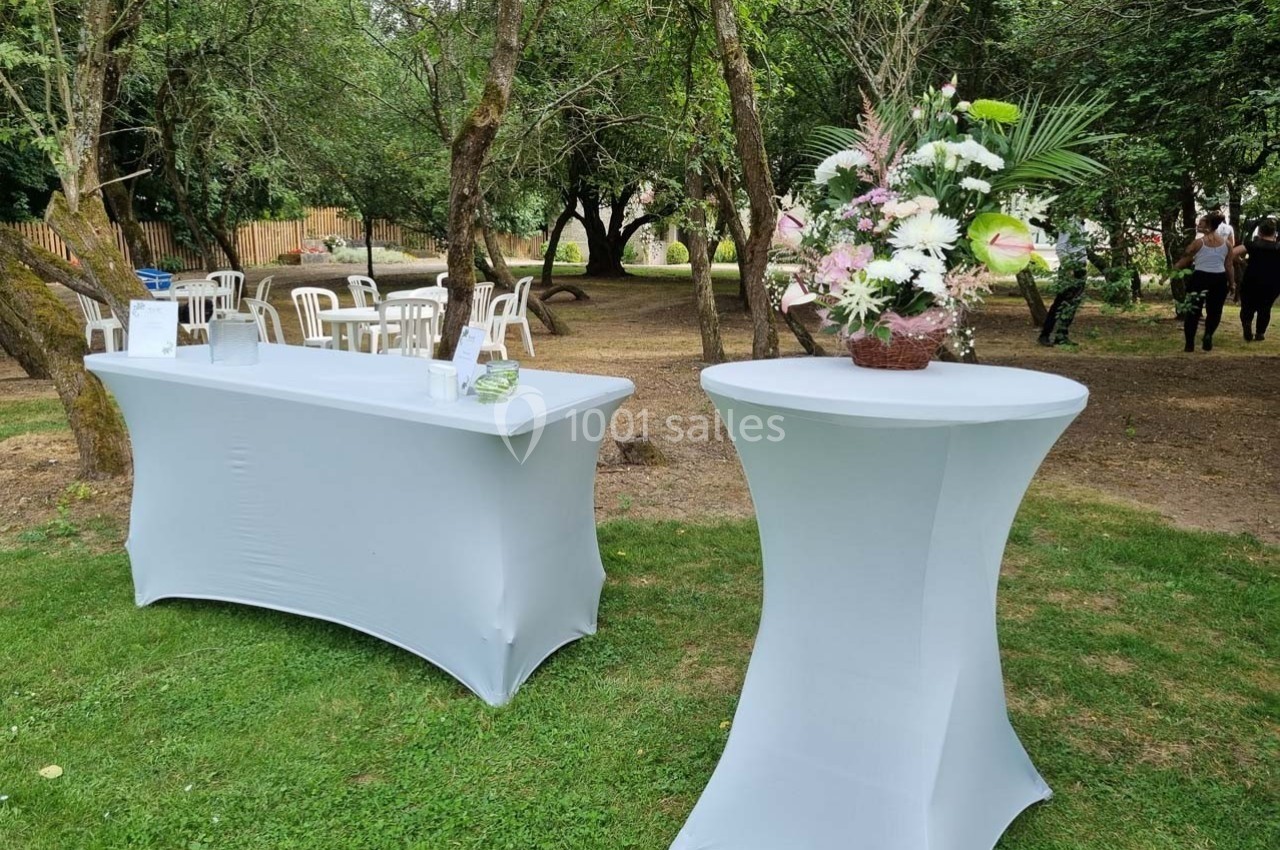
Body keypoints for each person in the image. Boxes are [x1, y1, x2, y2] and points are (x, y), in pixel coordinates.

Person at [1173, 212, 1235, 351]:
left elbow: (1185, 258)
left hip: (1200, 278)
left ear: (1208, 225)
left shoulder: (1198, 243)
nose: (1198, 225)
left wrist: (1171, 272)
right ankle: (1208, 335)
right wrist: (1232, 283)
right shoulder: (1227, 244)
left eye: (1201, 223)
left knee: (1193, 311)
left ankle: (1189, 344)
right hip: (1219, 278)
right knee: (1215, 311)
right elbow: (1229, 266)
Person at [1039, 218, 1088, 346]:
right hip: (1071, 268)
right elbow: (1061, 247)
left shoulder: (1081, 224)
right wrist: (1068, 268)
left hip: (1080, 267)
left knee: (1073, 303)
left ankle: (1062, 335)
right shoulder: (1070, 223)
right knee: (1060, 302)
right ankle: (1045, 335)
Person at [1232, 218, 1280, 341]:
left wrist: (1242, 262)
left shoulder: (1252, 245)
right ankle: (1260, 333)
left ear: (1259, 232)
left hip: (1251, 279)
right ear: (1274, 232)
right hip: (1272, 282)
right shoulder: (1278, 247)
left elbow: (1232, 253)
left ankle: (1247, 323)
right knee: (1265, 307)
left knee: (1247, 305)